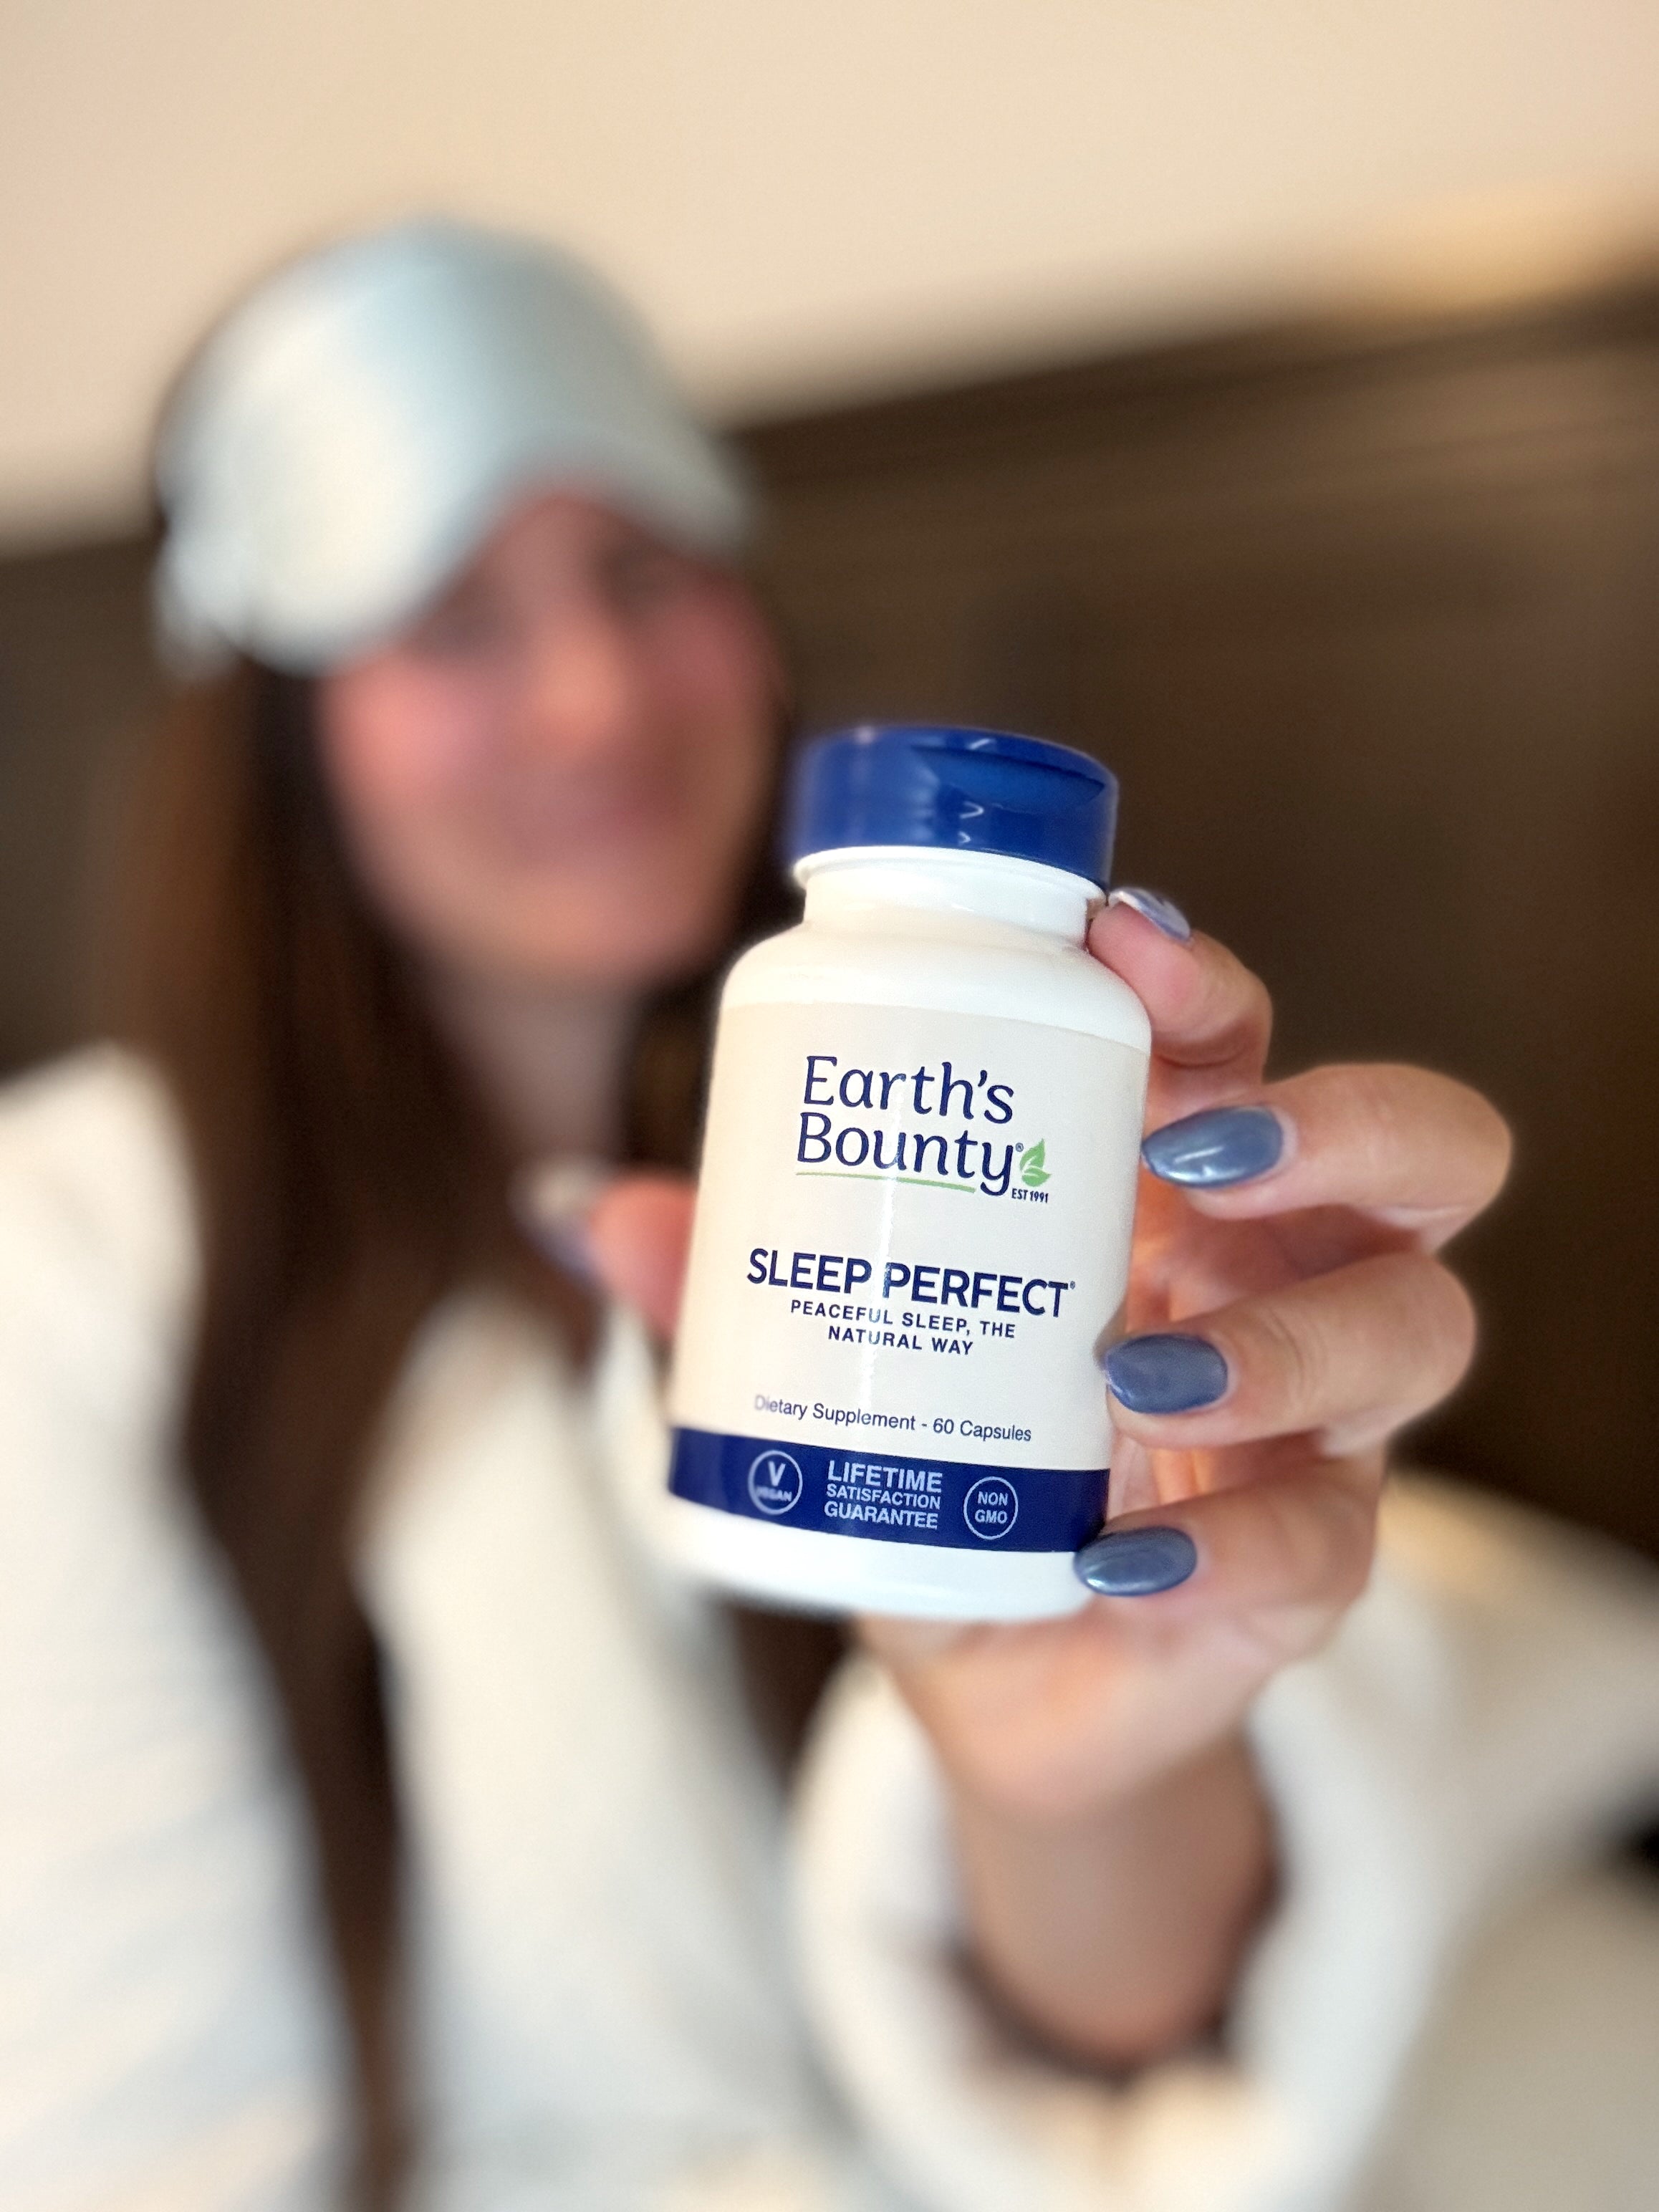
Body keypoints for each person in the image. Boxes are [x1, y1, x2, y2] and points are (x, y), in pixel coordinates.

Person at [1, 216, 1655, 2212]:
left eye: (642, 569)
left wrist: (1063, 1757)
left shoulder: (1021, 1150)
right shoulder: (68, 1261)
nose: (596, 697)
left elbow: (1124, 2074)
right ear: (279, 734)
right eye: (452, 615)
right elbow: (136, 2143)